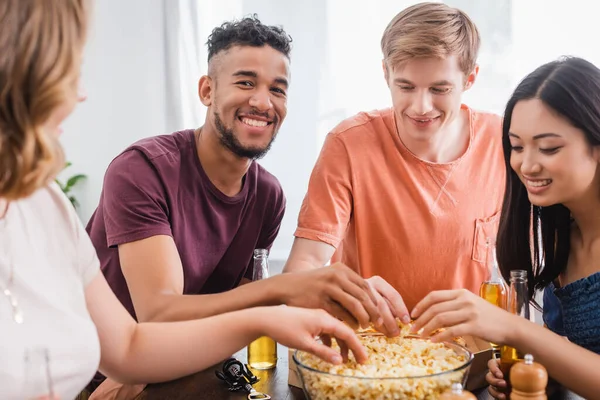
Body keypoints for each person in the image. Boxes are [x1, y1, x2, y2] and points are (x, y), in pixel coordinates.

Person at [0, 1, 368, 399]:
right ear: (207, 91)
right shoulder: (142, 169)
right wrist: (278, 295)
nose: (263, 102)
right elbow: (156, 316)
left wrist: (268, 315)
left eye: (277, 89)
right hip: (102, 383)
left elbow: (140, 346)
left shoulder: (269, 195)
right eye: (246, 83)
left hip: (170, 367)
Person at [284, 2, 505, 332]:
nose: (420, 106)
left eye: (439, 89)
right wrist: (353, 294)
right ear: (385, 72)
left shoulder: (503, 141)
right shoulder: (348, 144)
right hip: (372, 350)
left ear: (470, 78)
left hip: (472, 355)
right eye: (405, 87)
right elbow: (300, 272)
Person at [410, 56, 600, 400]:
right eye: (516, 146)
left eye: (549, 147)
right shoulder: (563, 235)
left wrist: (517, 331)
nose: (526, 164)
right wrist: (535, 373)